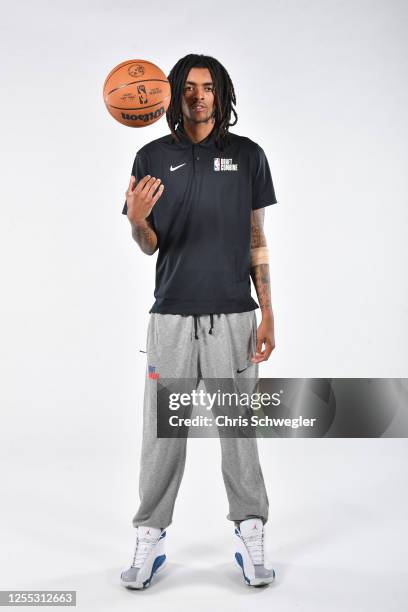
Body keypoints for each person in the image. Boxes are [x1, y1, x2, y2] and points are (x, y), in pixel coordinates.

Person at [119, 53, 279, 589]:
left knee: (239, 431)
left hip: (235, 315)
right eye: (188, 87)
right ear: (173, 94)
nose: (198, 96)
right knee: (163, 434)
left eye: (208, 87)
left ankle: (250, 529)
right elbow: (149, 245)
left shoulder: (249, 156)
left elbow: (256, 238)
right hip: (170, 316)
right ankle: (150, 535)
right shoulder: (151, 156)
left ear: (222, 93)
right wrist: (138, 222)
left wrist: (269, 311)